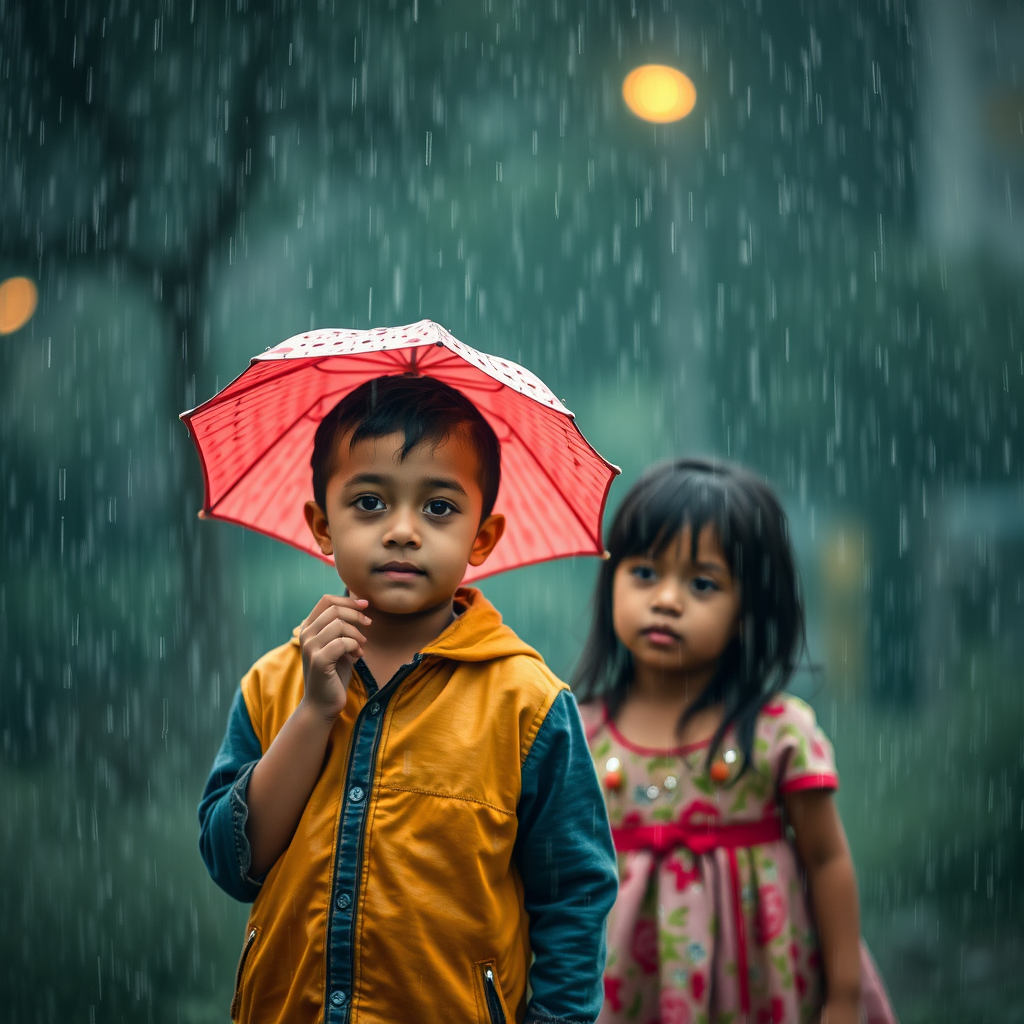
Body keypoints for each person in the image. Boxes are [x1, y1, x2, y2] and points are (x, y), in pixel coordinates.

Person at [198, 374, 618, 1024]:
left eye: (439, 508)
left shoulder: (528, 707)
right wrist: (313, 711)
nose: (402, 531)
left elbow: (573, 899)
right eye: (369, 503)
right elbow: (233, 864)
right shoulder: (274, 684)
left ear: (483, 536)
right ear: (321, 525)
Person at [573, 458, 897, 1024]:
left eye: (702, 583)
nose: (667, 599)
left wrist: (844, 996)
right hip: (621, 987)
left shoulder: (777, 732)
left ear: (748, 610)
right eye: (644, 573)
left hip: (761, 982)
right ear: (611, 581)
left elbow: (826, 859)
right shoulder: (577, 731)